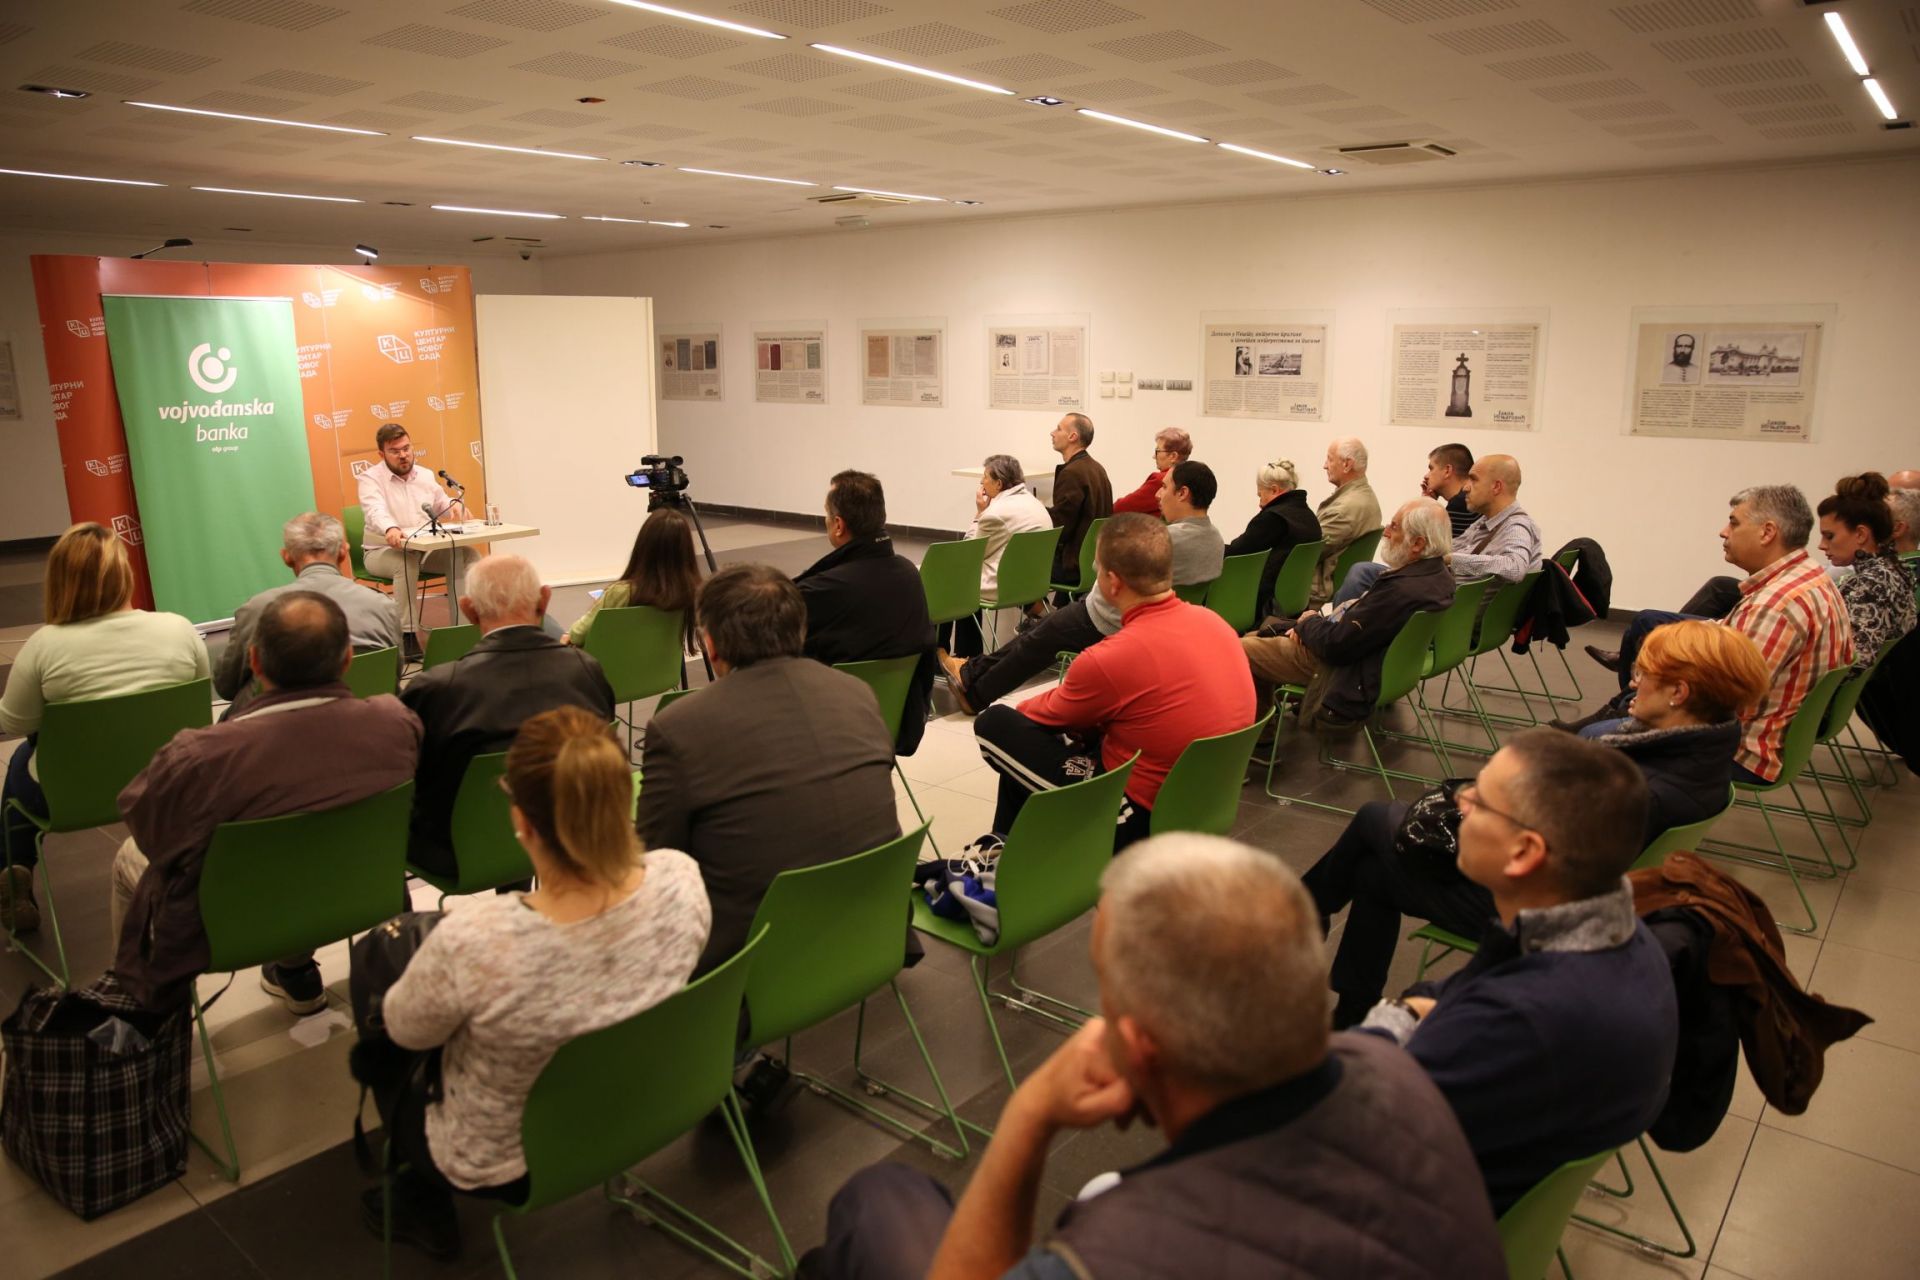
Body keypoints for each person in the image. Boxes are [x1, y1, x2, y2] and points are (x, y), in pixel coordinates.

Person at [804, 834, 1505, 1280]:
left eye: (1107, 999)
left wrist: (1029, 1117)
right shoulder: (1405, 1076)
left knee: (879, 1197)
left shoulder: (1110, 1252)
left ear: (1140, 1046)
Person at [366, 705, 710, 1258]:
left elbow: (406, 1032)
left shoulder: (476, 941)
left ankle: (419, 1197)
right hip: (653, 1102)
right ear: (624, 795)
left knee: (381, 984)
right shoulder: (682, 879)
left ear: (522, 822)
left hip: (500, 1160)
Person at [1307, 620, 1768, 1027]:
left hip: (1538, 913)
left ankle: (1307, 917)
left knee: (1374, 819)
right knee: (1371, 871)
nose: (1633, 682)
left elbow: (1540, 861)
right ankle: (1348, 997)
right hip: (1587, 899)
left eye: (1643, 674)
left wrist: (1488, 814)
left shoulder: (1642, 787)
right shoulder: (1704, 754)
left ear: (1678, 694)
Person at [1356, 730, 1679, 1216]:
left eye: (1479, 800)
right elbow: (1455, 994)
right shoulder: (1623, 938)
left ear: (1525, 851)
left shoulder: (1522, 1016)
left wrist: (1395, 1016)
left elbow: (1353, 1116)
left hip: (1416, 1219)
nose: (1460, 802)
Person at [109, 592, 420, 1013]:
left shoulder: (200, 756)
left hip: (236, 922)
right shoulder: (396, 722)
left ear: (254, 662)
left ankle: (136, 1012)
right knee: (315, 839)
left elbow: (149, 830)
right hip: (365, 895)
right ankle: (293, 966)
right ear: (348, 659)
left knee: (128, 858)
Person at [637, 564, 899, 974]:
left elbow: (654, 863)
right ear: (800, 629)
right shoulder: (857, 693)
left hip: (748, 968)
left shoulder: (678, 728)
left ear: (710, 645)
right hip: (871, 935)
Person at [972, 514, 1252, 849]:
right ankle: (1006, 852)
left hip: (1135, 818)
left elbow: (1032, 717)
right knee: (1047, 751)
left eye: (1098, 567)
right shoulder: (1216, 625)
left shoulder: (1112, 657)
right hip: (1203, 804)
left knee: (995, 723)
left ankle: (999, 856)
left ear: (1113, 583)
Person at [1561, 486, 1852, 784]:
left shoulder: (1774, 606)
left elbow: (1729, 699)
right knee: (1644, 672)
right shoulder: (1809, 577)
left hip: (1738, 750)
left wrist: (1659, 688)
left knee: (1587, 742)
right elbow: (1730, 642)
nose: (1723, 532)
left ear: (1767, 533)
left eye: (1734, 523)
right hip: (1766, 735)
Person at [1, 523, 209, 931]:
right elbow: (200, 706)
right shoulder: (179, 629)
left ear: (59, 582)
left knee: (23, 758)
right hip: (167, 784)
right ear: (124, 574)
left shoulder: (43, 645)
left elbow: (14, 721)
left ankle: (15, 869)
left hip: (71, 795)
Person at [938, 464, 1223, 716]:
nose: (1158, 495)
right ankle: (971, 671)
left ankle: (975, 694)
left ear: (1183, 493)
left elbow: (1101, 566)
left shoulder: (1166, 540)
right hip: (1144, 621)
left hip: (1109, 619)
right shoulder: (1214, 539)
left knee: (1036, 641)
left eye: (1164, 488)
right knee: (1039, 632)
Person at [400, 555, 614, 881]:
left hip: (459, 854)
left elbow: (406, 776)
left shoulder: (435, 689)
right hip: (571, 834)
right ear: (544, 599)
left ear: (469, 610)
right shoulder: (586, 670)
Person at [1240, 500, 1454, 722]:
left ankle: (1258, 731)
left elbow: (1336, 646)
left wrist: (1308, 623)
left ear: (1418, 543)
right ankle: (1262, 725)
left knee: (1239, 650)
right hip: (1376, 664)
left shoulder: (1400, 589)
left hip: (1342, 669)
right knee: (1258, 634)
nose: (1386, 533)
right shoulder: (1439, 578)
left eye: (1394, 526)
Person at [794, 470, 937, 755]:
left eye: (826, 515)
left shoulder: (820, 590)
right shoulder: (908, 574)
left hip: (829, 727)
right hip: (896, 723)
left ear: (838, 525)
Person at [215, 512, 399, 716]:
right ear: (343, 552)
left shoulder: (257, 609)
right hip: (366, 722)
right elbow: (393, 677)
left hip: (273, 729)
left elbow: (226, 686)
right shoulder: (383, 605)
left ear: (286, 557)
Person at [1334, 453, 1538, 606]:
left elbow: (1514, 568)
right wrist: (1415, 542)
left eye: (1474, 479)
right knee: (1367, 572)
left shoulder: (1516, 526)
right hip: (1444, 595)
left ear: (1496, 487)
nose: (1466, 487)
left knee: (1363, 573)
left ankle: (1339, 636)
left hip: (1447, 612)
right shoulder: (1487, 522)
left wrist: (1451, 559)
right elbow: (1448, 547)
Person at [356, 422, 476, 646]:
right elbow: (374, 510)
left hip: (423, 551)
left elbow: (441, 503)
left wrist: (454, 505)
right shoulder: (370, 479)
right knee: (405, 562)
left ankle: (464, 626)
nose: (403, 455)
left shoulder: (425, 475)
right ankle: (408, 635)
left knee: (467, 555)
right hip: (382, 552)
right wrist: (390, 528)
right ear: (381, 454)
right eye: (395, 451)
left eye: (406, 448)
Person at [950, 454, 1051, 658]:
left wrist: (979, 514)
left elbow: (968, 552)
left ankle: (957, 654)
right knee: (962, 579)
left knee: (951, 581)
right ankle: (965, 653)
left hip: (1005, 585)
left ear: (999, 483)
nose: (981, 482)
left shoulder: (995, 513)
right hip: (1033, 583)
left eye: (985, 477)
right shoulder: (1036, 504)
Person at [1816, 472, 1916, 666]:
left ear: (1861, 534)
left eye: (1829, 536)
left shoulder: (1870, 584)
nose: (1821, 545)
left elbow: (1855, 663)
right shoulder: (1896, 569)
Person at [565, 508, 702, 648]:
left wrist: (601, 604)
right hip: (664, 662)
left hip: (612, 661)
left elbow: (577, 634)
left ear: (643, 546)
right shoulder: (691, 592)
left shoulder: (620, 592)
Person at [1225, 458, 1323, 622]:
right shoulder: (1309, 516)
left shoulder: (1273, 518)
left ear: (1274, 490)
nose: (1260, 504)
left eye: (1260, 495)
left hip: (1265, 605)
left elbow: (1236, 552)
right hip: (1295, 603)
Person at [1308, 437, 1381, 607]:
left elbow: (1308, 552)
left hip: (1314, 585)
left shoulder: (1344, 509)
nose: (1325, 465)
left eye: (1329, 459)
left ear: (1347, 464)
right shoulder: (1366, 496)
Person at [1045, 412, 1112, 589]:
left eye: (1058, 429)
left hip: (1071, 566)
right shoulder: (1097, 468)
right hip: (1093, 562)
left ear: (1072, 436)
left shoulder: (1072, 473)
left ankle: (1038, 607)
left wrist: (1035, 511)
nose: (1052, 433)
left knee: (1016, 565)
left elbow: (1060, 528)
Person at [1110, 428, 1192, 517]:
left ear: (1173, 456)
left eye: (1157, 451)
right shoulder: (1190, 478)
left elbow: (1120, 507)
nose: (1154, 456)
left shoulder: (1162, 480)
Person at [1423, 442, 1476, 538]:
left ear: (1447, 470)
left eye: (1431, 469)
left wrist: (1425, 505)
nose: (1426, 476)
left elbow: (1433, 545)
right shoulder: (1470, 498)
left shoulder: (1460, 504)